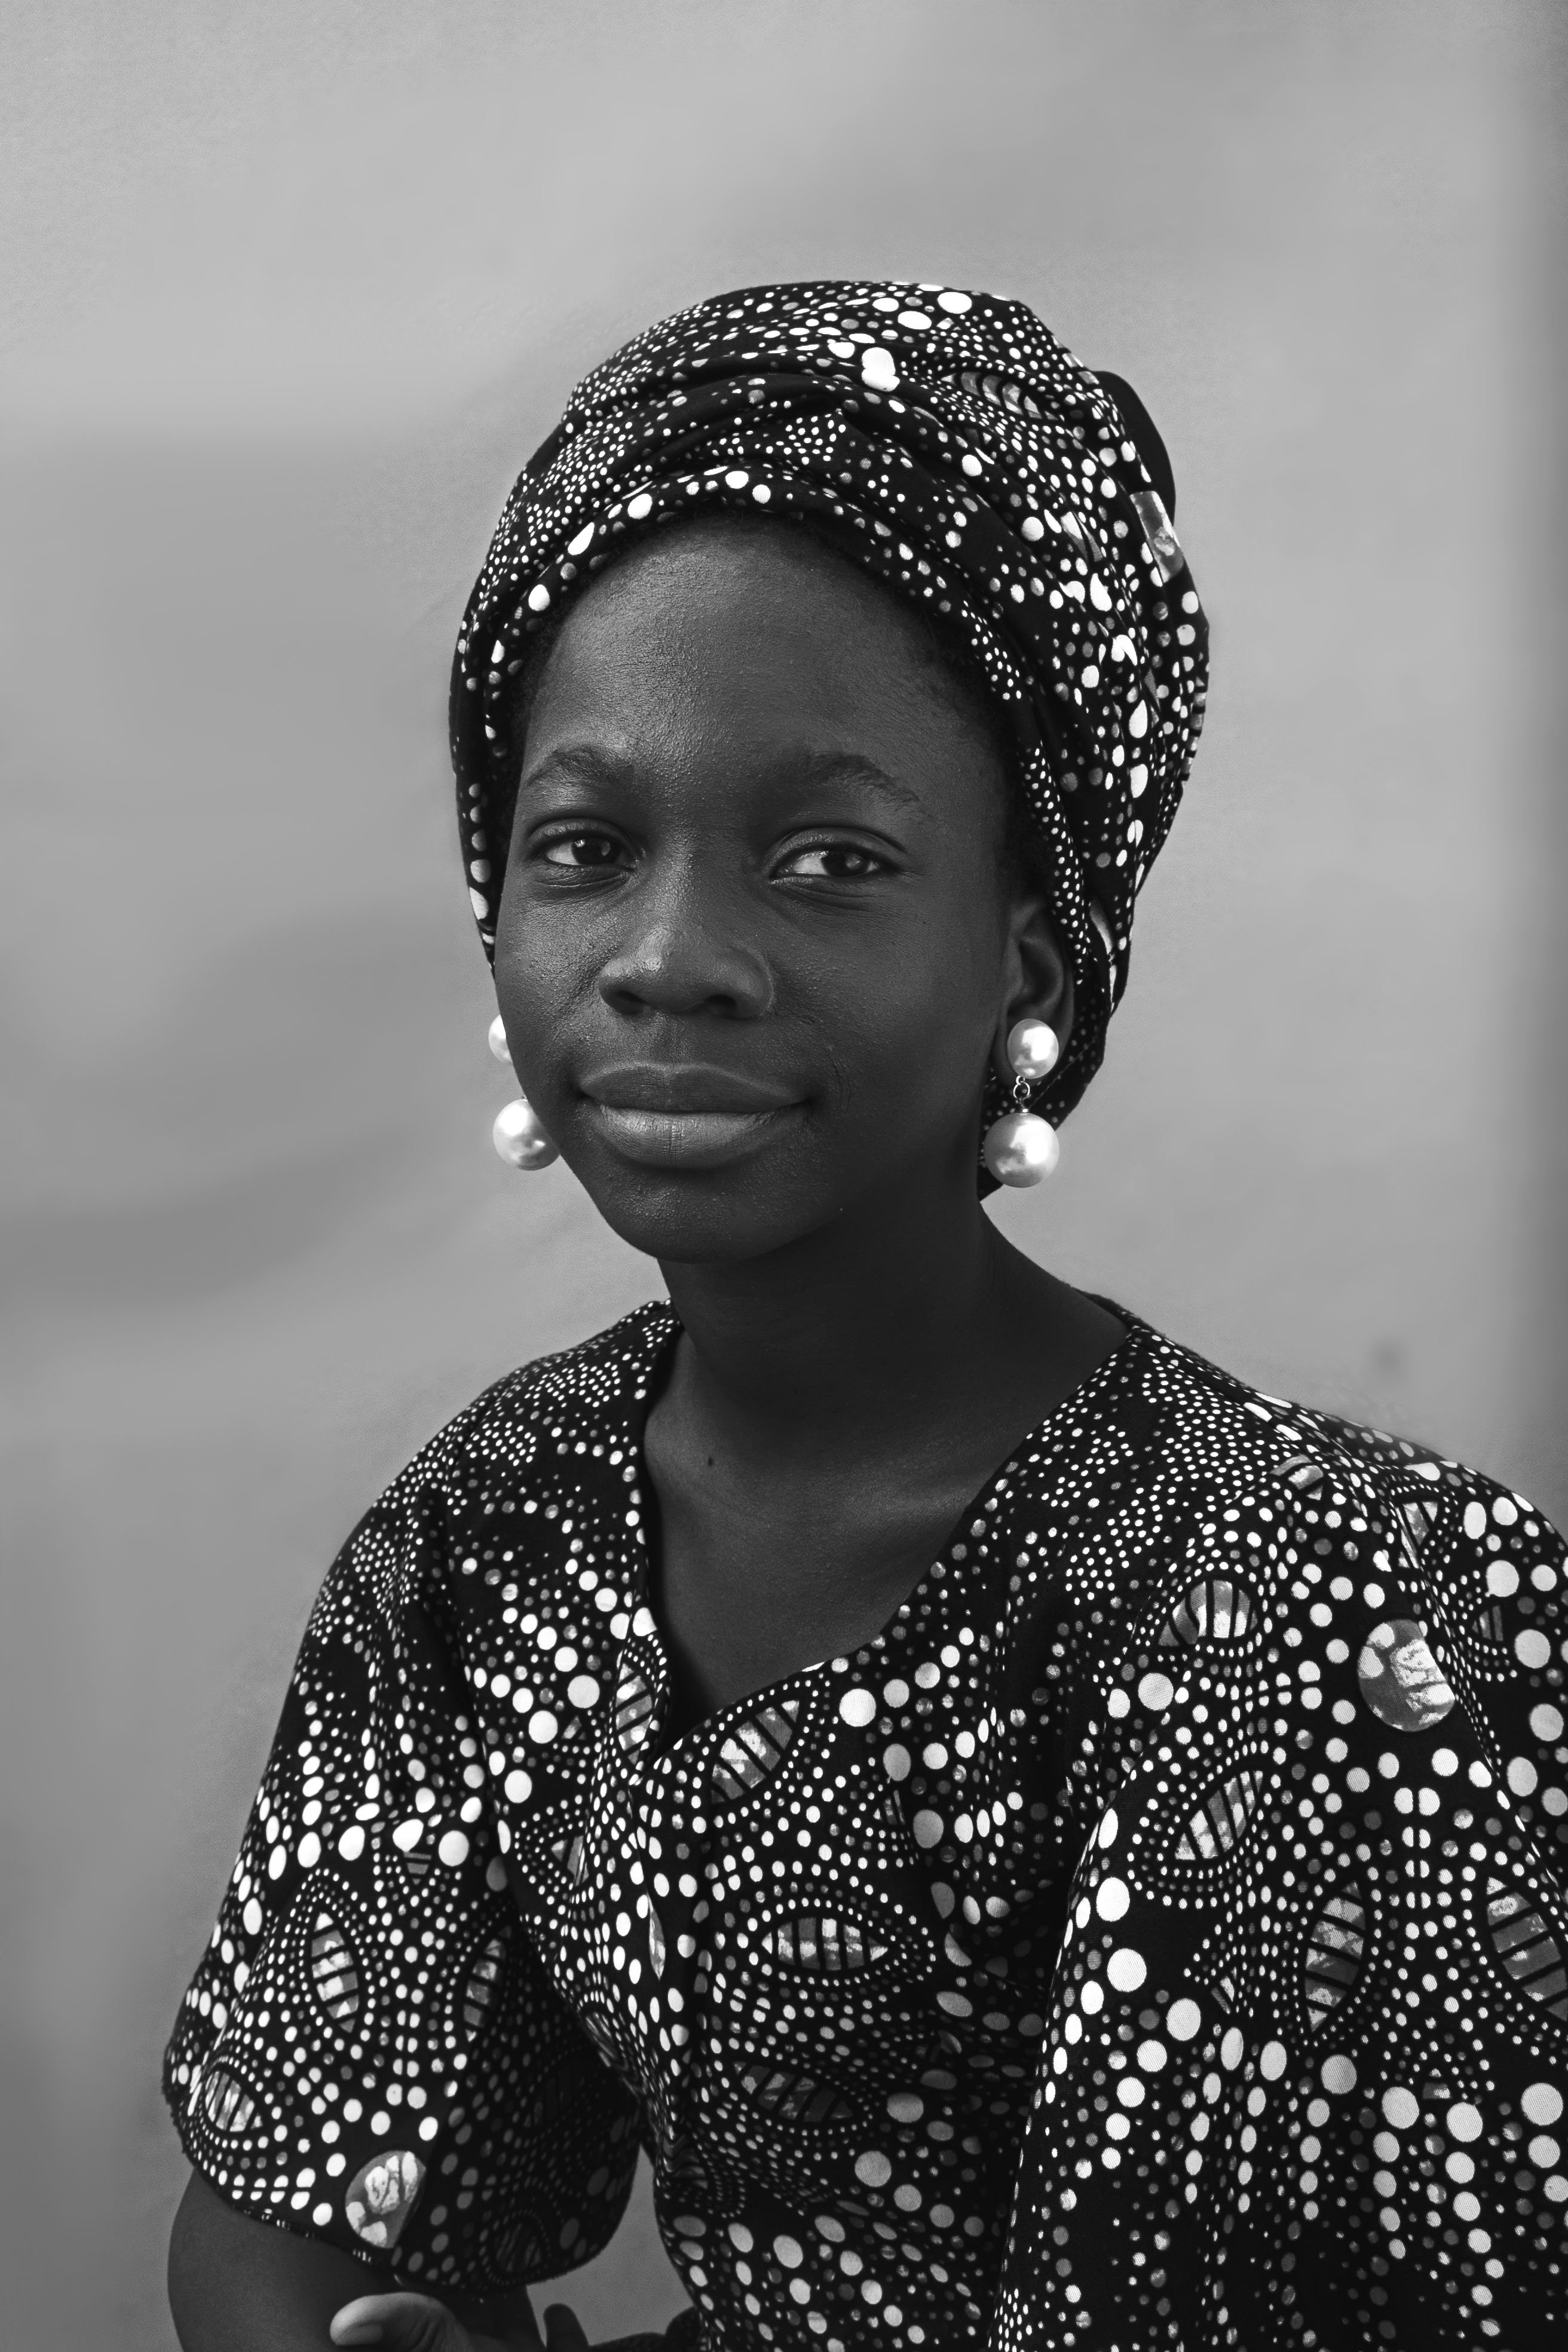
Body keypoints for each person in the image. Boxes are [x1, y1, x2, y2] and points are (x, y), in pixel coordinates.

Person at [163, 283, 1566, 2352]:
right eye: (586, 848)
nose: (667, 957)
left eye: (826, 857)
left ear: (1032, 947)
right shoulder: (494, 1540)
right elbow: (289, 2217)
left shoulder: (1357, 1615)